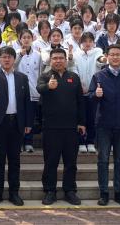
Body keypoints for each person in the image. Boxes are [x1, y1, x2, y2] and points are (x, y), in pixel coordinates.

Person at [90, 44, 120, 206]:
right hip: (104, 125)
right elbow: (90, 99)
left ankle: (119, 192)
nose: (115, 57)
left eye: (118, 54)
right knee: (103, 159)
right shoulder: (99, 76)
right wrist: (95, 95)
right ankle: (104, 192)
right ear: (107, 56)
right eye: (112, 54)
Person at [0, 46, 33, 206]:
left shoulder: (22, 77)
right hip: (0, 122)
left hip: (16, 122)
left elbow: (27, 101)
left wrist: (28, 123)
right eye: (3, 57)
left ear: (14, 59)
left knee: (14, 159)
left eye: (9, 57)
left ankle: (14, 193)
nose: (6, 59)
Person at [37, 48, 85, 206]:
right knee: (51, 161)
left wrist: (82, 122)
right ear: (50, 60)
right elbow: (39, 89)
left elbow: (80, 101)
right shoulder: (45, 76)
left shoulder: (74, 77)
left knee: (71, 162)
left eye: (61, 58)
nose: (58, 61)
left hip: (71, 127)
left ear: (66, 60)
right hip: (51, 127)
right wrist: (48, 87)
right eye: (55, 58)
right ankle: (50, 191)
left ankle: (70, 190)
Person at [15, 29, 41, 153]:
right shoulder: (15, 53)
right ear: (20, 39)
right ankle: (19, 142)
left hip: (33, 90)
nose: (26, 40)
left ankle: (28, 142)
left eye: (28, 37)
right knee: (19, 116)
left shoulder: (38, 55)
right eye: (23, 37)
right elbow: (13, 67)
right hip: (19, 90)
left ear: (32, 39)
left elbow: (40, 72)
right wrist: (20, 55)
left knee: (30, 117)